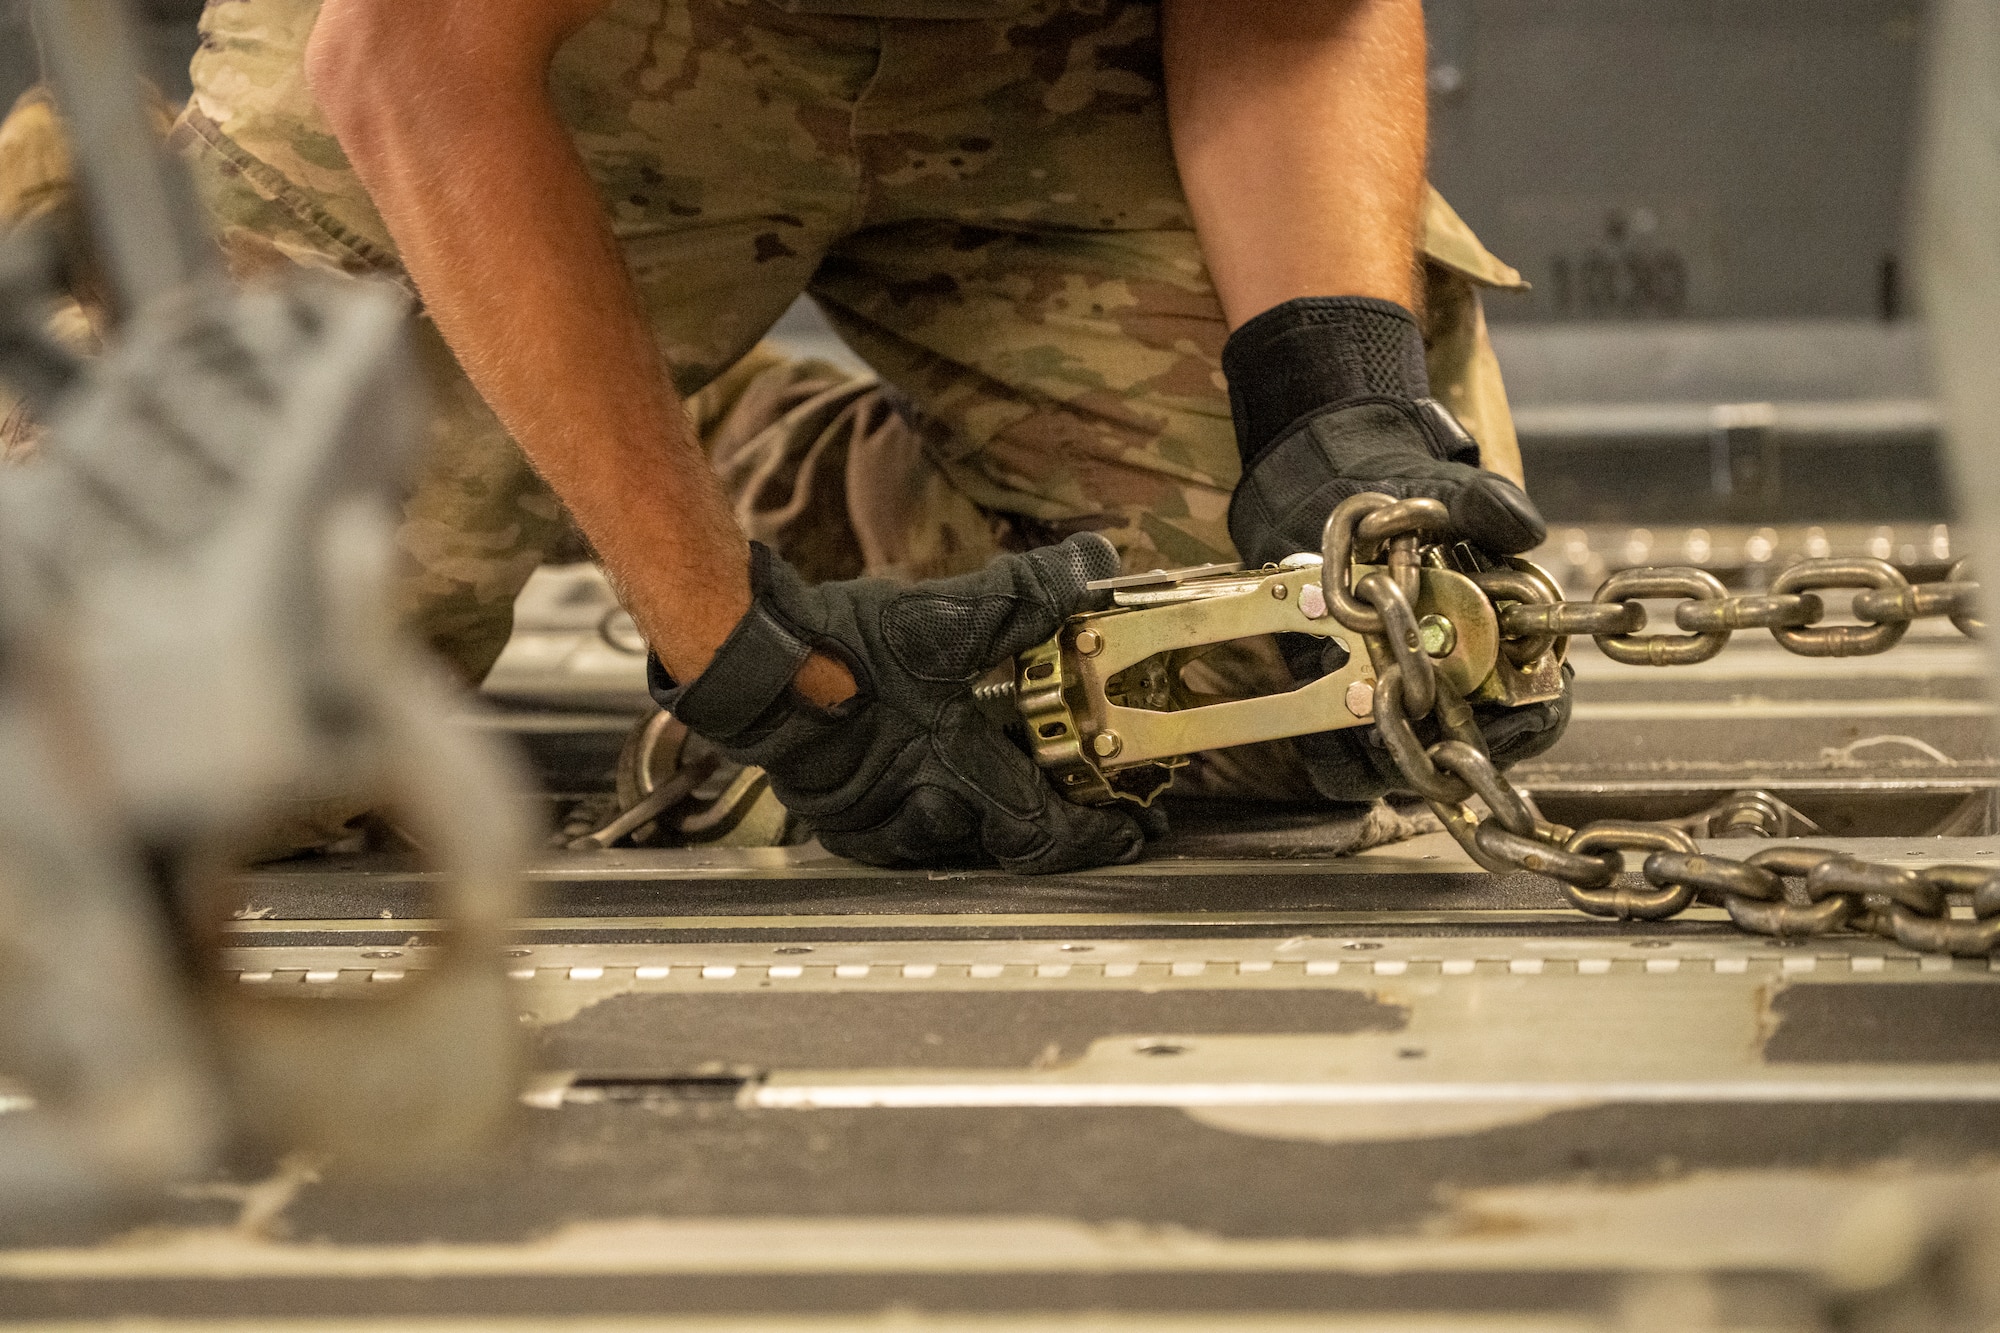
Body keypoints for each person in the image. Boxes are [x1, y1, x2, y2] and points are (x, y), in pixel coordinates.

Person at [36, 0, 1571, 870]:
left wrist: (1336, 405)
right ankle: (75, 266)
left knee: (1306, 671)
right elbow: (419, 59)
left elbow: (1291, 18)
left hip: (1048, 53)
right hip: (569, 48)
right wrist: (749, 662)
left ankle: (716, 434)